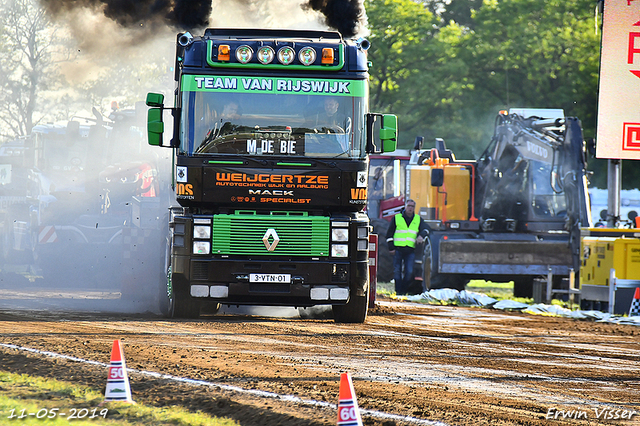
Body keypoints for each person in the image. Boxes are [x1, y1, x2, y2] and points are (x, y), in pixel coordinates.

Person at [385, 199, 429, 295]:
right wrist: (391, 248)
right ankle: (398, 292)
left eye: (412, 206)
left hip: (410, 250)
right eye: (408, 206)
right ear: (405, 206)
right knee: (397, 272)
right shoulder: (397, 218)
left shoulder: (418, 219)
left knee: (409, 272)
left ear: (414, 208)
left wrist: (421, 235)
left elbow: (426, 229)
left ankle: (404, 291)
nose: (410, 208)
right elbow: (389, 234)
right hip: (398, 250)